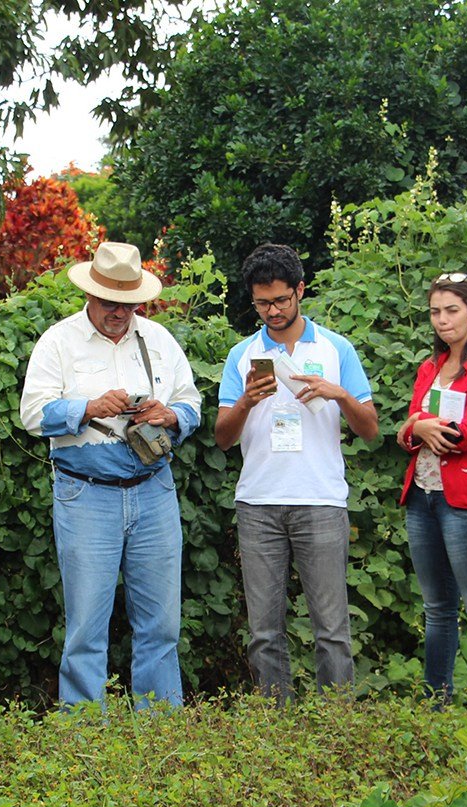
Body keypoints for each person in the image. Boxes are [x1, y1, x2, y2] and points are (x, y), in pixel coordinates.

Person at [20, 241, 201, 707]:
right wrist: (89, 408)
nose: (119, 312)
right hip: (86, 494)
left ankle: (160, 731)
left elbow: (192, 403)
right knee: (85, 625)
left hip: (154, 490)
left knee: (161, 624)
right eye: (109, 302)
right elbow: (33, 414)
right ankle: (84, 739)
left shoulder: (160, 340)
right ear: (90, 293)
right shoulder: (59, 340)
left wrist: (170, 415)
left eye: (128, 303)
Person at [215, 243, 378, 702]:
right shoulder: (241, 355)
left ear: (300, 290)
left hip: (321, 500)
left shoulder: (335, 348)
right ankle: (277, 733)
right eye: (262, 302)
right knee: (264, 631)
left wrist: (338, 394)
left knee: (332, 629)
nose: (272, 311)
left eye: (281, 300)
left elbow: (370, 430)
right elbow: (222, 438)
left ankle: (337, 729)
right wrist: (246, 400)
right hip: (258, 503)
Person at [397, 273, 467, 707]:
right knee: (437, 610)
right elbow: (405, 433)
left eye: (452, 310)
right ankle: (435, 706)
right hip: (422, 497)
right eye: (435, 312)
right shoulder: (429, 366)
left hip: (465, 500)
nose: (442, 320)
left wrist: (424, 427)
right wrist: (417, 428)